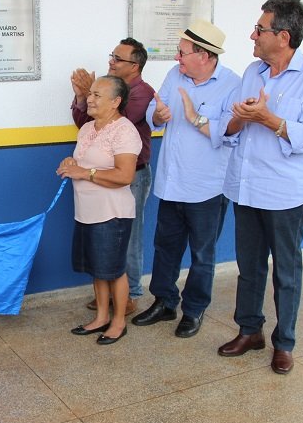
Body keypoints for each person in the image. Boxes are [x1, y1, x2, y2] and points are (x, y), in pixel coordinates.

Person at [217, 0, 303, 374]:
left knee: (286, 272)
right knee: (249, 268)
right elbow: (231, 126)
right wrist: (240, 118)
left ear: (283, 36)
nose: (253, 36)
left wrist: (268, 118)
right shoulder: (253, 72)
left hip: (286, 193)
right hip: (246, 187)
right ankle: (249, 330)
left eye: (259, 29)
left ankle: (284, 343)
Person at [132, 20, 240, 338]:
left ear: (204, 56)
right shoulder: (174, 75)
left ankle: (193, 310)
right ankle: (164, 302)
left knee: (202, 254)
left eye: (182, 52)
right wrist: (157, 115)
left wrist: (195, 117)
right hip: (171, 180)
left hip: (208, 187)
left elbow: (228, 131)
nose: (176, 58)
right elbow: (156, 109)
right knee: (165, 247)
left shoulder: (233, 85)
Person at [71, 38, 155, 315]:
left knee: (127, 240)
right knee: (101, 246)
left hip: (132, 175)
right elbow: (87, 123)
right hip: (98, 182)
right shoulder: (106, 92)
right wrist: (83, 98)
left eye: (118, 59)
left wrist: (91, 94)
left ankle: (129, 295)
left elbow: (117, 119)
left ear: (135, 65)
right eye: (112, 56)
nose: (111, 61)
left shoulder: (142, 93)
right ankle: (107, 299)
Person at [58, 75, 142, 345]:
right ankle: (101, 317)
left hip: (112, 213)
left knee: (114, 269)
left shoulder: (125, 131)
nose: (90, 99)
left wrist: (84, 172)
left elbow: (125, 175)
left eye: (96, 95)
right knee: (98, 267)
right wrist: (71, 163)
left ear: (116, 102)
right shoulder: (87, 128)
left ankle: (118, 322)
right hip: (86, 210)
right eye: (90, 93)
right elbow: (84, 161)